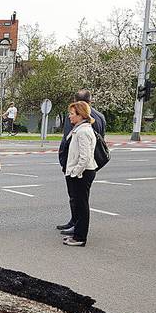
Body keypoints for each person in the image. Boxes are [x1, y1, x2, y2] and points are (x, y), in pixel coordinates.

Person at [57, 89, 106, 233]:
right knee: (82, 197)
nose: (71, 116)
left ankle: (76, 226)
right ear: (90, 100)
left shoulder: (79, 120)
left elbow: (68, 140)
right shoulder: (100, 117)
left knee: (77, 198)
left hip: (78, 164)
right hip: (92, 162)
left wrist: (69, 167)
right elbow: (101, 138)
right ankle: (76, 226)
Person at [62, 101, 98, 246]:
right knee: (79, 205)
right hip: (81, 173)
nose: (69, 117)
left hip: (83, 174)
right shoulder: (80, 129)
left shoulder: (83, 131)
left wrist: (75, 173)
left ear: (80, 115)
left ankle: (80, 238)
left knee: (82, 206)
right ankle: (77, 234)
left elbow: (84, 157)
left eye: (72, 114)